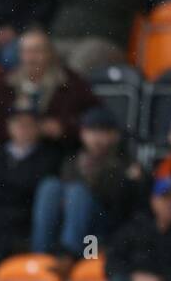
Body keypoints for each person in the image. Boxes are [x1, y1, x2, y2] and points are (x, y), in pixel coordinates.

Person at [30, 106, 145, 262]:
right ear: (83, 134)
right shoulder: (73, 160)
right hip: (70, 222)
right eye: (92, 131)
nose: (97, 138)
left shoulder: (124, 162)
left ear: (115, 135)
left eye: (102, 132)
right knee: (50, 186)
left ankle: (68, 255)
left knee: (77, 193)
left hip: (99, 233)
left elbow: (115, 200)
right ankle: (40, 253)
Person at [0, 29, 101, 157]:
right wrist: (14, 131)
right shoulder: (4, 82)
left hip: (56, 150)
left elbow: (94, 117)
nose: (31, 58)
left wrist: (63, 127)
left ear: (50, 54)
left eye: (37, 51)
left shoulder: (72, 82)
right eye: (27, 52)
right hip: (9, 149)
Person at [0, 107, 61, 267]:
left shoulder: (50, 157)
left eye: (28, 124)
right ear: (9, 126)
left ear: (38, 128)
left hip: (24, 222)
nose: (23, 129)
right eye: (18, 124)